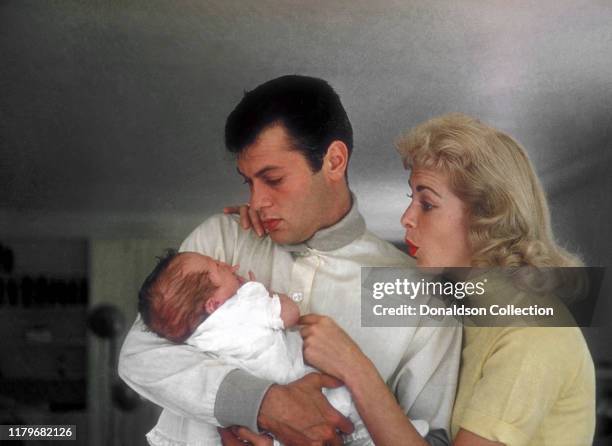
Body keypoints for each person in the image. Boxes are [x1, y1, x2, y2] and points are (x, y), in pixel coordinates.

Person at [118, 75, 461, 446]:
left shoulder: (419, 294)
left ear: (333, 160)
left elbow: (433, 438)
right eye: (250, 182)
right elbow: (140, 356)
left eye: (273, 179)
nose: (258, 200)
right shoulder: (219, 242)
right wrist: (263, 404)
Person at [392, 113, 595, 445]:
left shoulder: (532, 334)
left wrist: (357, 374)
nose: (406, 218)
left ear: (487, 217)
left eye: (427, 203)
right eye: (411, 199)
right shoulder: (477, 315)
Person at [138, 250, 417, 445]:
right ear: (213, 303)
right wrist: (264, 292)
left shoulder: (193, 338)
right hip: (296, 380)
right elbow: (289, 313)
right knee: (345, 408)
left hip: (249, 423)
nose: (228, 265)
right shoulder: (246, 300)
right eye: (219, 267)